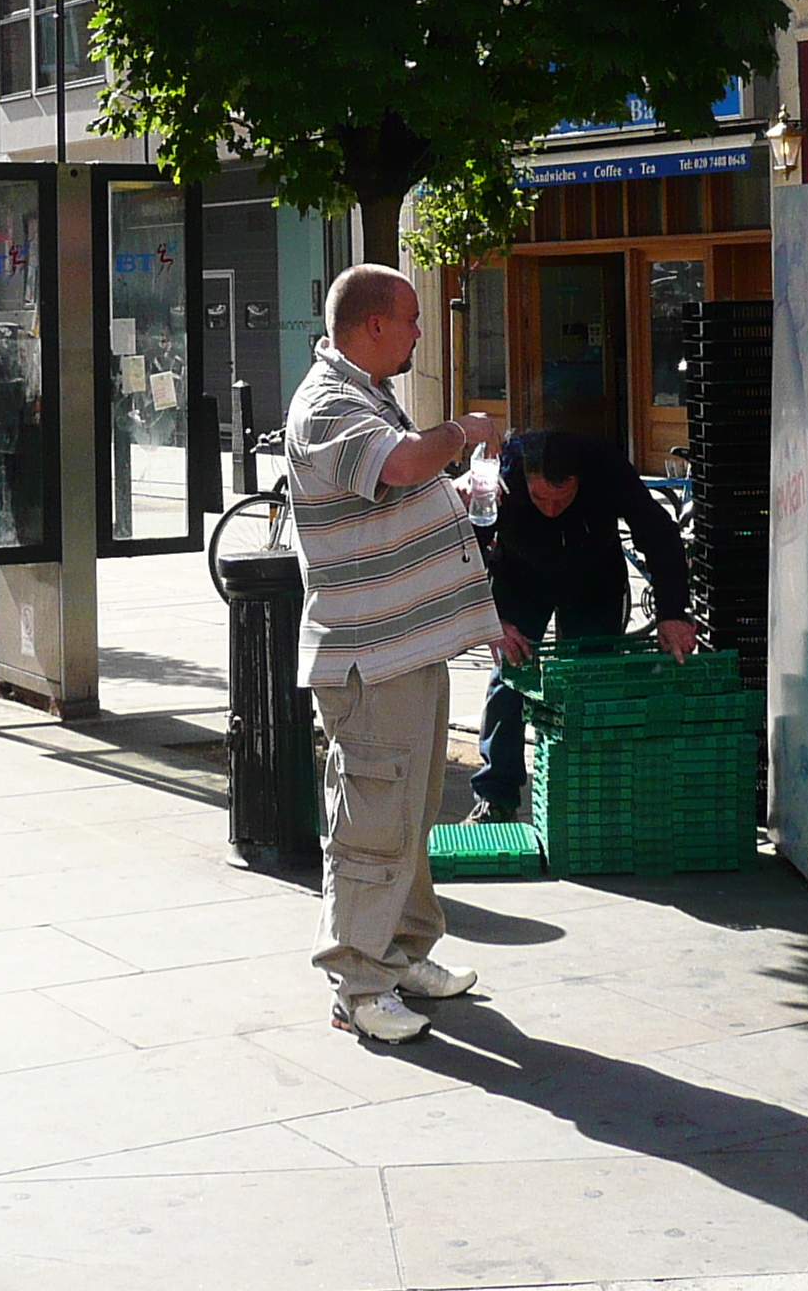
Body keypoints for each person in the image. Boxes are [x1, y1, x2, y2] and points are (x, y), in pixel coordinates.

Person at [284, 263, 501, 1047]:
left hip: (404, 648)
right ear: (373, 326)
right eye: (410, 318)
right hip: (368, 658)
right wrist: (460, 435)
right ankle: (359, 983)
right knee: (373, 817)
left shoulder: (366, 394)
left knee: (407, 811)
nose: (418, 331)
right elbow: (403, 464)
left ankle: (402, 954)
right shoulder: (328, 404)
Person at [466, 427, 700, 824]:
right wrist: (490, 620)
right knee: (509, 678)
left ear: (580, 480)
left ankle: (585, 787)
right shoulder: (499, 472)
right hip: (518, 578)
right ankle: (497, 795)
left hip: (595, 581)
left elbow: (658, 535)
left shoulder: (605, 465)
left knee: (590, 682)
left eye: (563, 498)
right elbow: (466, 547)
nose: (552, 509)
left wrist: (673, 612)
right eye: (540, 498)